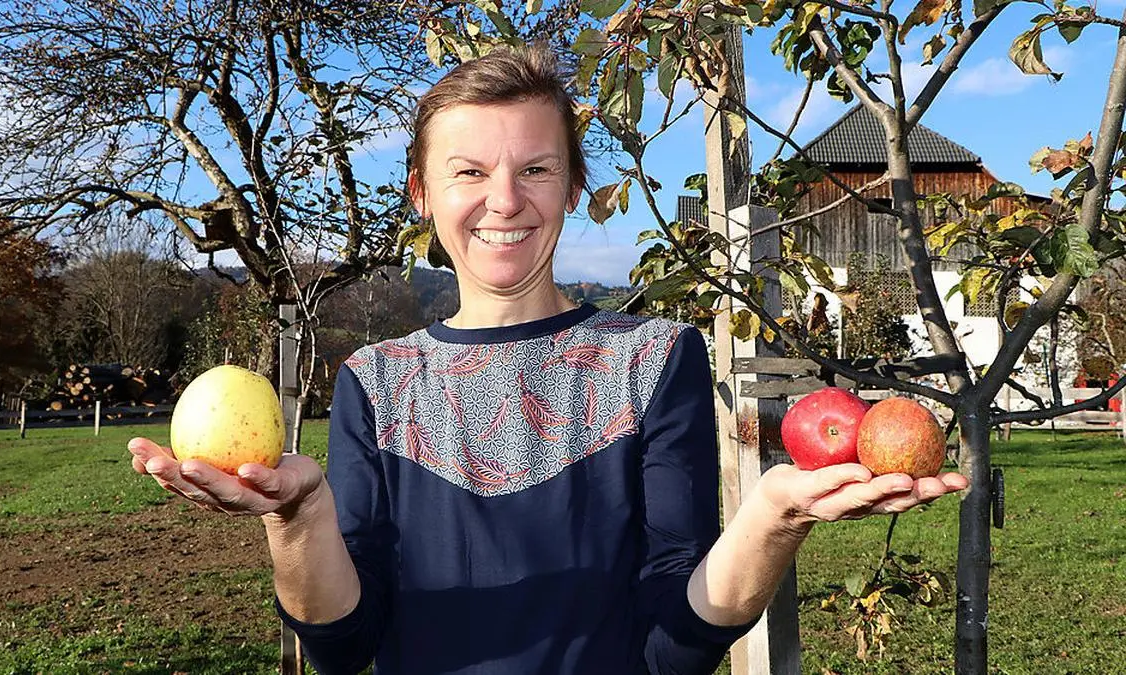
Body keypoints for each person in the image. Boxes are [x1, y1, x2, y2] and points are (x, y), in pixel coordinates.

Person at [128, 44, 969, 675]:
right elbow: (346, 645)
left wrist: (772, 519)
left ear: (571, 187)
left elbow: (672, 646)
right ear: (422, 192)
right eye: (469, 171)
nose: (504, 200)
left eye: (536, 168)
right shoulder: (375, 383)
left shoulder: (652, 360)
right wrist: (299, 516)